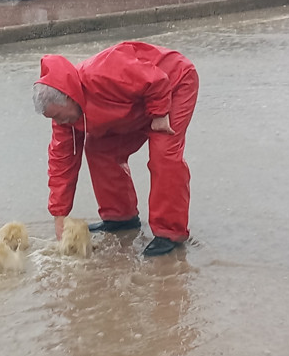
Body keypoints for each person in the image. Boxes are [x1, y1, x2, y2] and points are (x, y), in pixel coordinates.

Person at [32, 41, 199, 256]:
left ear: (69, 97)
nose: (58, 122)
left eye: (58, 115)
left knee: (164, 154)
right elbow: (61, 161)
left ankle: (170, 233)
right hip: (134, 102)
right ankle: (121, 218)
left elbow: (156, 80)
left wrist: (159, 113)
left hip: (173, 83)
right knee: (99, 149)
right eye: (53, 118)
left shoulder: (104, 73)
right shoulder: (64, 118)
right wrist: (59, 215)